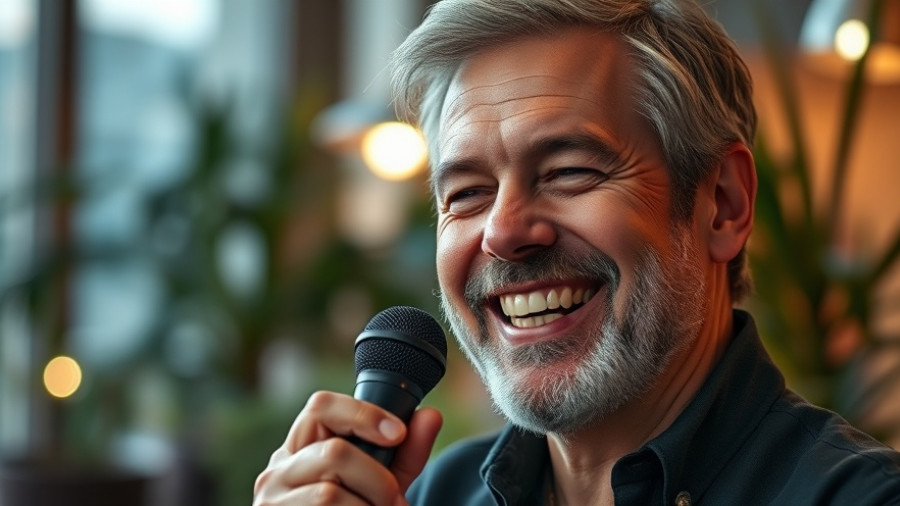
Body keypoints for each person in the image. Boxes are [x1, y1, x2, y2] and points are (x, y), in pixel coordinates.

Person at [253, 0, 900, 504]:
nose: (503, 232)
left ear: (723, 204)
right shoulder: (429, 496)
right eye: (469, 192)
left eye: (569, 172)